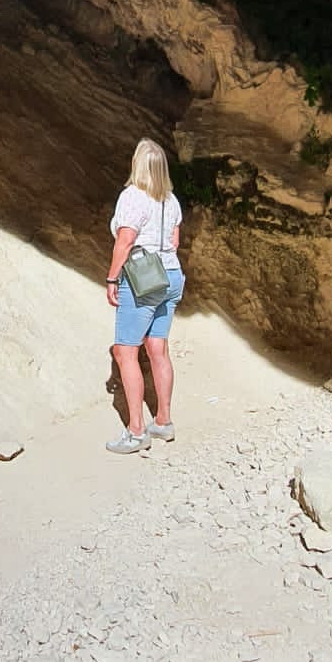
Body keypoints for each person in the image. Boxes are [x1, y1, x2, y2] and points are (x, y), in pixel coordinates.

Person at [104, 137, 184, 453]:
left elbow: (125, 242)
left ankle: (136, 431)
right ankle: (163, 421)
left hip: (143, 279)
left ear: (138, 165)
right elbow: (174, 242)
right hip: (172, 275)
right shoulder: (171, 200)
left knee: (125, 352)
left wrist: (112, 278)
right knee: (157, 348)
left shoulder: (132, 197)